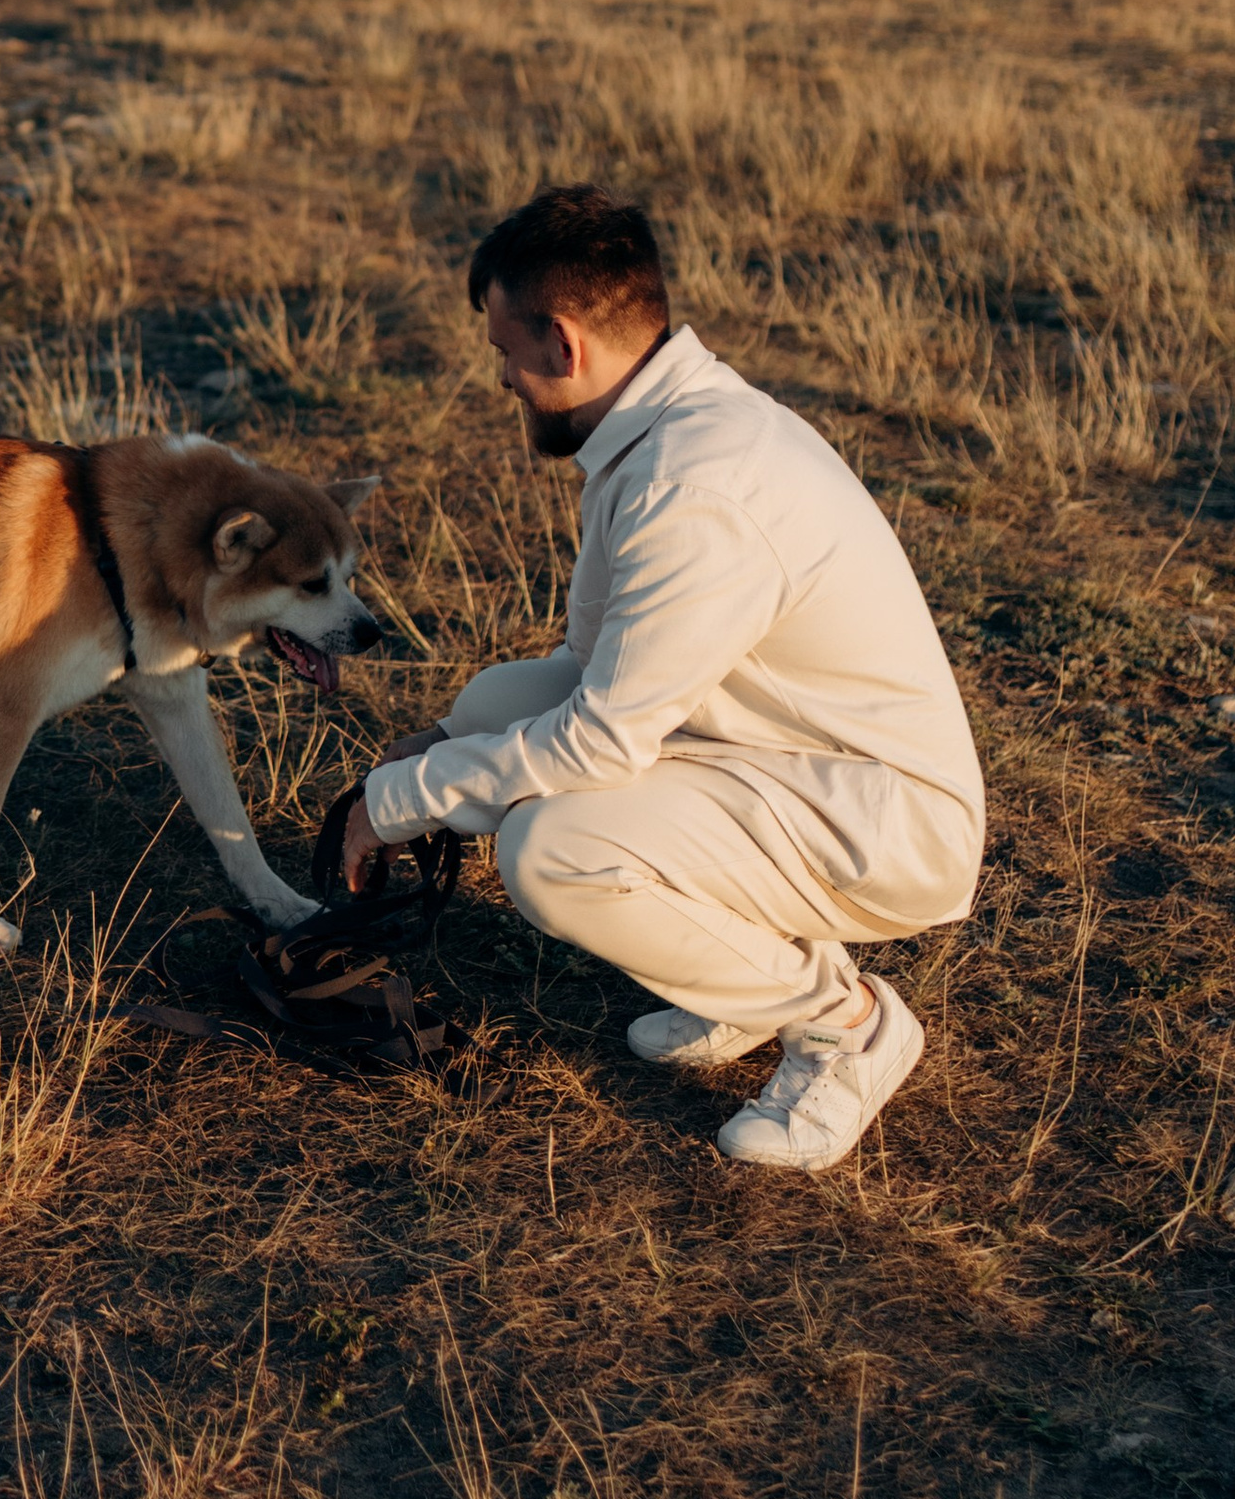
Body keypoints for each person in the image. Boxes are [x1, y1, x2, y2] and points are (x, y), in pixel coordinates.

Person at [341, 184, 983, 1172]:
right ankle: (742, 978)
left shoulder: (695, 486)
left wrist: (392, 802)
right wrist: (445, 750)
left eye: (505, 353)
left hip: (883, 821)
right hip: (782, 760)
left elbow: (602, 741)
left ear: (563, 345)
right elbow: (594, 674)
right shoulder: (663, 429)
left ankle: (842, 1022)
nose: (502, 379)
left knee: (551, 848)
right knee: (487, 710)